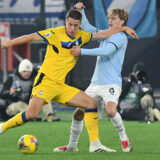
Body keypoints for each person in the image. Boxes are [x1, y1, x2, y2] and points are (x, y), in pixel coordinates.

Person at [0, 9, 137, 136]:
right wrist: (8, 43)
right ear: (66, 21)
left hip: (60, 86)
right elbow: (30, 37)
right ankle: (2, 127)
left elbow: (103, 34)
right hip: (46, 81)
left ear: (80, 25)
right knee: (31, 115)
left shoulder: (82, 36)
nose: (72, 28)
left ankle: (95, 145)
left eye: (76, 25)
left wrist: (124, 29)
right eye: (70, 24)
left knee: (91, 104)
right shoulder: (54, 33)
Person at [54, 2, 138, 153]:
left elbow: (106, 52)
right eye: (109, 18)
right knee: (78, 112)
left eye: (114, 18)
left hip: (111, 83)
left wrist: (82, 52)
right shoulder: (106, 33)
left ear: (122, 21)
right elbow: (88, 28)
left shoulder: (120, 37)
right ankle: (72, 145)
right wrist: (81, 11)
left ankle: (125, 141)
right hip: (95, 84)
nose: (110, 21)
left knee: (111, 111)